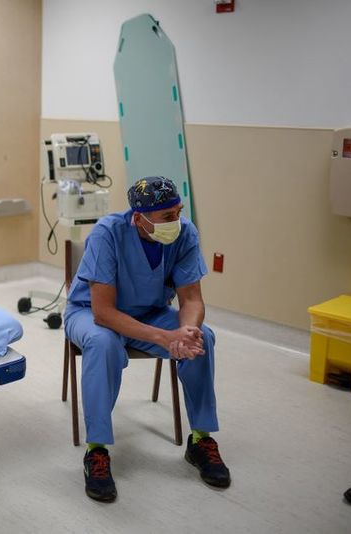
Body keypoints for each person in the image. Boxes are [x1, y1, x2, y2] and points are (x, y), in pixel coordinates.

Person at [64, 176, 230, 503]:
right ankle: (96, 450)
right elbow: (104, 314)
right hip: (91, 313)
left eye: (179, 212)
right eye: (167, 217)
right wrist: (164, 337)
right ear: (139, 218)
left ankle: (200, 440)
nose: (176, 222)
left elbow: (192, 300)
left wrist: (186, 331)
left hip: (149, 312)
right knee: (104, 343)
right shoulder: (108, 233)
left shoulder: (185, 234)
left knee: (203, 339)